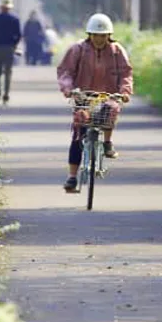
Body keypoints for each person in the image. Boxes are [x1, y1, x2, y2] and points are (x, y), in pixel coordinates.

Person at [57, 13, 133, 192]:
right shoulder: (78, 50)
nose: (99, 39)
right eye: (96, 35)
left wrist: (124, 92)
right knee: (79, 135)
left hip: (108, 96)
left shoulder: (116, 51)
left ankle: (107, 142)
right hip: (83, 96)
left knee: (111, 110)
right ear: (89, 34)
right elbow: (65, 71)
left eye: (103, 35)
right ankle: (72, 177)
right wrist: (69, 89)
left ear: (109, 35)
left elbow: (126, 73)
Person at [0, 0, 21, 103]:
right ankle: (6, 94)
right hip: (10, 48)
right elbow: (18, 35)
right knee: (8, 72)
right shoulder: (15, 19)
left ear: (1, 7)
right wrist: (14, 44)